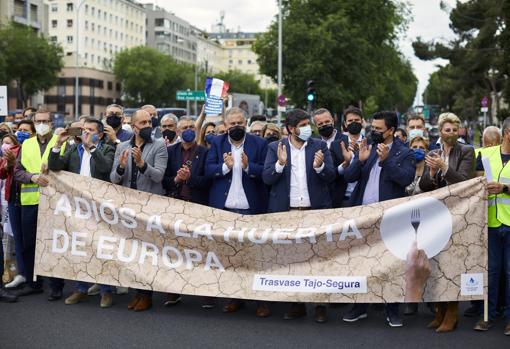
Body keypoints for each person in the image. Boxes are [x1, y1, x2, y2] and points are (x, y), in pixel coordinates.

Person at [343, 111, 415, 327]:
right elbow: (349, 177)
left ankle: (392, 309)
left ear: (391, 131)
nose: (373, 132)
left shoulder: (404, 152)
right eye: (372, 128)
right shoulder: (368, 147)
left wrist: (386, 162)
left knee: (390, 264)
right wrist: (359, 160)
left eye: (378, 129)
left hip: (389, 217)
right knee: (361, 263)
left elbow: (405, 179)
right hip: (363, 216)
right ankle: (360, 306)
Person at [263, 109, 335, 322]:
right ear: (291, 129)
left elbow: (331, 176)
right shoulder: (275, 148)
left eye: (308, 124)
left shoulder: (319, 146)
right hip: (288, 213)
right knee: (292, 260)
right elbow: (267, 178)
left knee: (318, 260)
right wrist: (280, 164)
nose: (307, 128)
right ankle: (297, 304)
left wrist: (320, 166)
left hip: (315, 211)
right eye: (302, 125)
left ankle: (321, 305)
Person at [205, 107, 268, 316]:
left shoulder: (259, 143)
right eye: (232, 124)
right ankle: (236, 297)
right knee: (230, 256)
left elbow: (266, 173)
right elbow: (208, 170)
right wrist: (226, 167)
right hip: (224, 209)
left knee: (255, 256)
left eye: (240, 123)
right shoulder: (217, 142)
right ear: (225, 125)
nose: (236, 127)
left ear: (246, 123)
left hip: (250, 209)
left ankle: (259, 300)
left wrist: (250, 167)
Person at [48, 117, 116, 308]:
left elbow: (105, 168)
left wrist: (92, 148)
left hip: (100, 208)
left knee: (102, 249)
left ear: (100, 134)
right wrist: (57, 144)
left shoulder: (107, 148)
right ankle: (81, 289)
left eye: (91, 130)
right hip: (77, 208)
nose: (85, 133)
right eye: (84, 129)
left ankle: (106, 291)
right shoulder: (73, 150)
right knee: (80, 248)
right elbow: (55, 166)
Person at [419, 112, 475, 332]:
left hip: (457, 214)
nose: (450, 133)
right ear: (440, 131)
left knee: (452, 264)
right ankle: (439, 310)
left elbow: (463, 182)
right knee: (435, 264)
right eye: (446, 130)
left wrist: (444, 167)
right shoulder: (432, 152)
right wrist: (432, 172)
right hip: (434, 215)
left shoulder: (467, 151)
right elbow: (424, 186)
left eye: (454, 130)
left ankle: (452, 312)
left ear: (459, 131)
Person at [110, 109, 168, 312]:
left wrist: (142, 164)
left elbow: (159, 176)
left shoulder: (159, 146)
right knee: (132, 252)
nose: (147, 126)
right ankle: (137, 292)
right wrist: (121, 167)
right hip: (128, 207)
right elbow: (113, 179)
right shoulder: (123, 147)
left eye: (149, 122)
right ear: (133, 127)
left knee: (147, 253)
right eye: (142, 123)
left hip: (149, 207)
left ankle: (147, 295)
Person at [13, 108, 64, 300]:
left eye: (45, 121)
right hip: (30, 202)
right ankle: (33, 284)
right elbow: (17, 172)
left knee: (53, 245)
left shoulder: (61, 141)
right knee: (29, 245)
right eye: (38, 121)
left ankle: (56, 286)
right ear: (34, 123)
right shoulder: (26, 144)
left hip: (54, 203)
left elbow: (66, 169)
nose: (41, 124)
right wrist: (32, 176)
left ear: (52, 123)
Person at [162, 116, 211, 307]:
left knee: (201, 250)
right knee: (175, 250)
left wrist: (190, 179)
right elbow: (163, 179)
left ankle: (206, 292)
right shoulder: (170, 151)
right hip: (176, 204)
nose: (188, 130)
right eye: (184, 127)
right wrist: (176, 179)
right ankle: (174, 291)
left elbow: (208, 180)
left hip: (198, 205)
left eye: (192, 126)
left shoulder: (205, 152)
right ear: (178, 131)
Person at [471, 118, 510, 335]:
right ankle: (487, 316)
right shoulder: (485, 154)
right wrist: (481, 183)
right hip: (491, 223)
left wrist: (504, 187)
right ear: (507, 133)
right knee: (492, 272)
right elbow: (476, 181)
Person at [313, 108, 350, 209]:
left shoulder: (346, 140)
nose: (324, 125)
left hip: (341, 197)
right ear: (316, 126)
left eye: (327, 122)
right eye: (320, 124)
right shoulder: (312, 143)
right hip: (320, 198)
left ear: (333, 121)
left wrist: (345, 164)